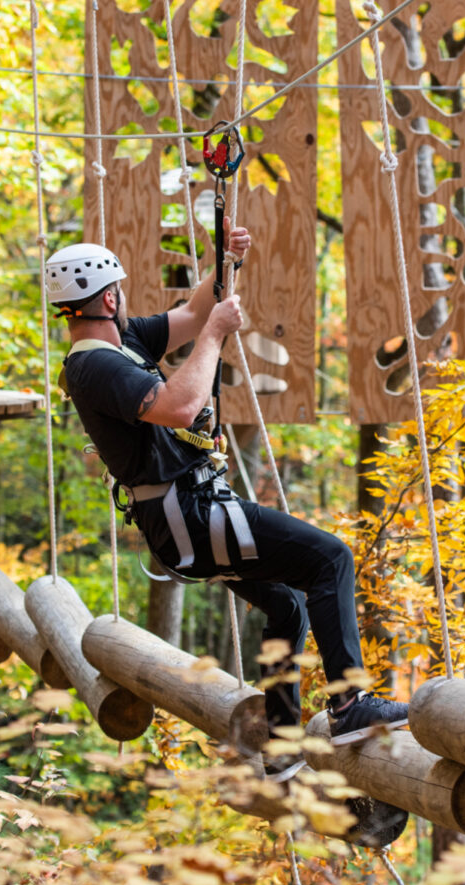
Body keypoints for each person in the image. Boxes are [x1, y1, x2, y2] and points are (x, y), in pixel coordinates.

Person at [45, 236, 408, 780]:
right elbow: (180, 404)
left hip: (191, 514)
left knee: (288, 605)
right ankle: (350, 705)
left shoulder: (125, 343)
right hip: (188, 515)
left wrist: (226, 259)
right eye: (120, 290)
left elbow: (194, 311)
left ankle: (282, 746)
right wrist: (216, 331)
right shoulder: (94, 367)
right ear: (111, 298)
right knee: (329, 560)